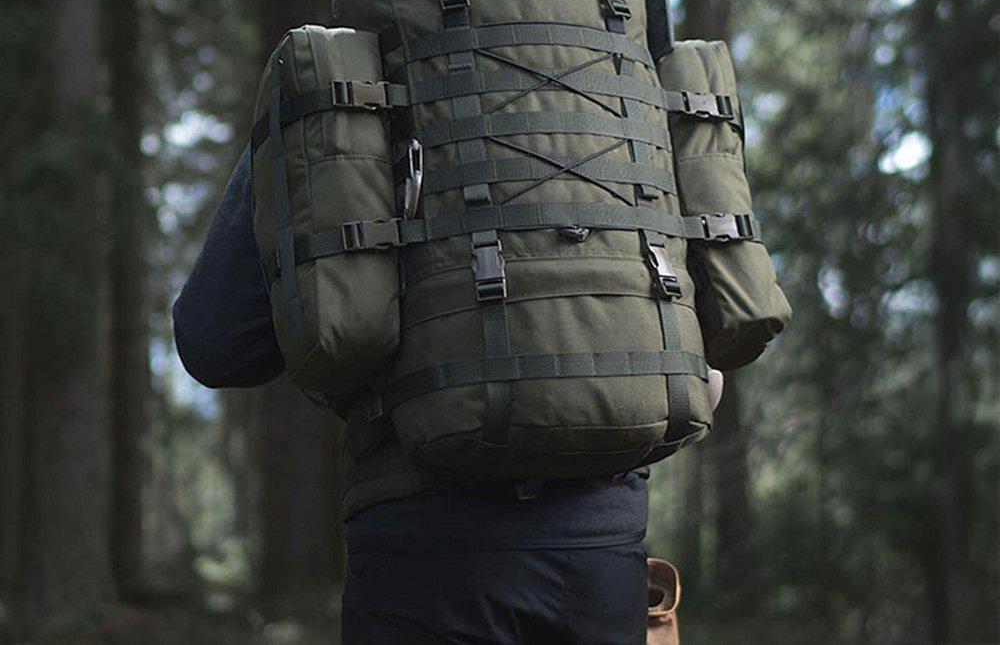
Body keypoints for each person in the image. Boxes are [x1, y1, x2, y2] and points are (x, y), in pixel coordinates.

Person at [174, 145, 721, 644]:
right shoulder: (633, 85)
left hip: (418, 542)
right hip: (603, 547)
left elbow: (216, 344)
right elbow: (722, 335)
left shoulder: (344, 82)